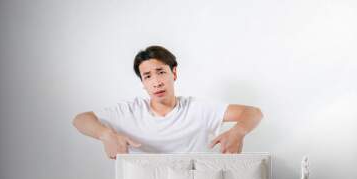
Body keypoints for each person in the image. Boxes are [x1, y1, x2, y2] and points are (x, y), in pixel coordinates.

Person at [73, 45, 263, 159]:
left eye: (161, 72)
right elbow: (80, 119)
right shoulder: (130, 111)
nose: (156, 82)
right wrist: (106, 135)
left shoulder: (198, 109)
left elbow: (253, 112)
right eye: (147, 76)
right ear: (143, 83)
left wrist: (238, 132)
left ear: (174, 73)